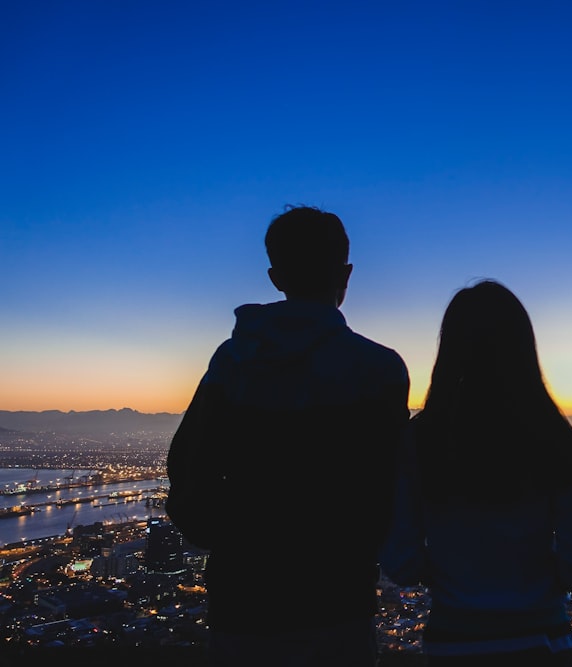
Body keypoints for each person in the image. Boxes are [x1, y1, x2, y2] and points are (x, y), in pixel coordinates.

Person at [166, 205, 411, 667]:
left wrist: (235, 538)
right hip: (339, 593)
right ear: (347, 273)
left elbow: (187, 466)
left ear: (276, 276)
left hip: (243, 594)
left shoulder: (233, 363)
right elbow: (392, 480)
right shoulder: (377, 368)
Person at [379, 279, 572, 667]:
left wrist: (447, 570)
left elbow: (399, 558)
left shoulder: (419, 441)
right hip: (543, 644)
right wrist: (536, 579)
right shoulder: (550, 438)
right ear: (523, 349)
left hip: (454, 644)